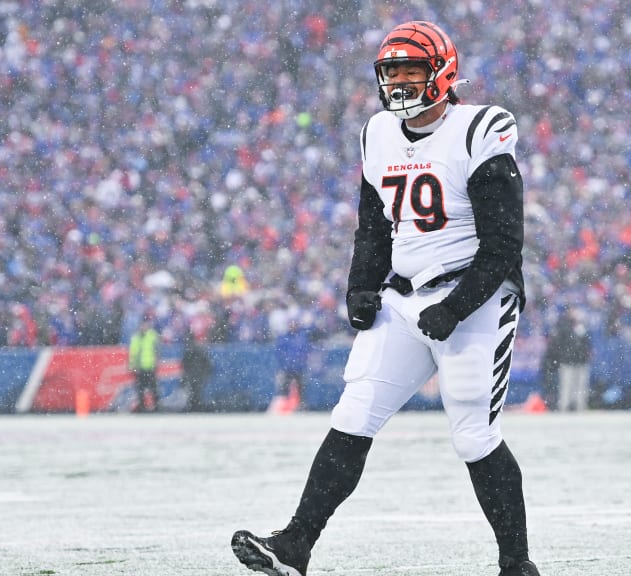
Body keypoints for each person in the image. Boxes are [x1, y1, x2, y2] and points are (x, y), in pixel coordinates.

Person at [231, 21, 539, 576]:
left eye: (412, 70)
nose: (398, 82)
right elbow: (373, 228)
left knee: (473, 434)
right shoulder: (377, 133)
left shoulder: (478, 129)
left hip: (474, 296)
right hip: (404, 297)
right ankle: (295, 544)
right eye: (391, 71)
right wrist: (361, 286)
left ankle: (517, 565)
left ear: (442, 73)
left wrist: (457, 307)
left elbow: (503, 246)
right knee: (353, 414)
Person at [548, 308, 593, 411]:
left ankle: (580, 406)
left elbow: (586, 344)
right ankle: (564, 406)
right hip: (568, 361)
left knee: (581, 386)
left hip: (581, 361)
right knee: (566, 386)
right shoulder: (564, 326)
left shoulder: (583, 327)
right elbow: (560, 343)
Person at [129, 317, 161, 412]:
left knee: (153, 388)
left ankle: (156, 407)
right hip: (140, 368)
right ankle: (143, 407)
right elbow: (133, 353)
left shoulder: (152, 336)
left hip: (150, 367)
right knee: (140, 389)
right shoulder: (136, 337)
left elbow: (157, 351)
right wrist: (132, 366)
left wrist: (156, 363)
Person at [180, 328, 212, 412]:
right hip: (197, 374)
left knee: (193, 392)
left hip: (194, 374)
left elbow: (184, 364)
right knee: (196, 392)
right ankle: (196, 407)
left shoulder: (189, 350)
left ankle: (194, 407)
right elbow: (207, 363)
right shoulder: (198, 349)